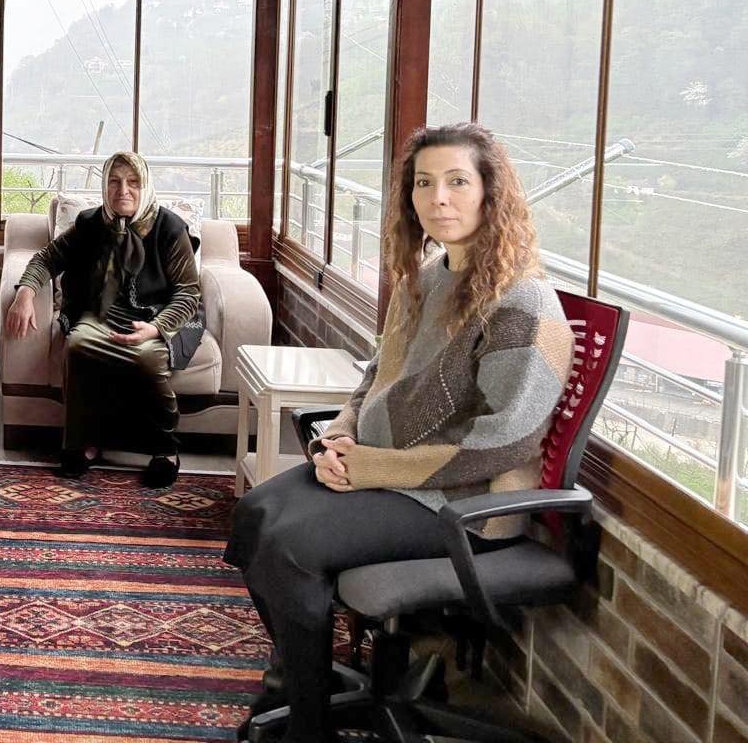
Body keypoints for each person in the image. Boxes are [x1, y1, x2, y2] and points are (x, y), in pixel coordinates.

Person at [226, 123, 575, 743]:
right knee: (254, 514)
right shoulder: (430, 278)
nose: (438, 198)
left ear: (491, 193)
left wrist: (370, 468)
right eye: (423, 183)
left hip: (469, 506)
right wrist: (335, 440)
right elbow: (374, 379)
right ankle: (302, 678)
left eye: (457, 181)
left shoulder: (523, 303)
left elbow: (506, 442)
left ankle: (309, 724)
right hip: (388, 473)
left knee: (290, 546)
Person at [3, 151, 202, 488]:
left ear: (145, 185)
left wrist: (155, 328)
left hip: (154, 317)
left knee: (146, 358)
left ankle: (165, 449)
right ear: (105, 185)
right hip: (100, 315)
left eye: (133, 182)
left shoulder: (168, 228)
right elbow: (47, 258)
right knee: (78, 345)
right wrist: (24, 292)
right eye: (114, 181)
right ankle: (84, 442)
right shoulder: (91, 223)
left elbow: (188, 293)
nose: (123, 190)